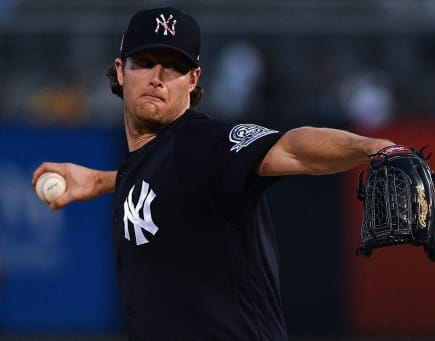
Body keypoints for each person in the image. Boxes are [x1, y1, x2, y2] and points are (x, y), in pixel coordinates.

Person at [32, 7, 394, 340]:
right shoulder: (154, 161)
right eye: (145, 62)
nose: (158, 77)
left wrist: (373, 148)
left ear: (193, 79)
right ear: (121, 71)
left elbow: (291, 147)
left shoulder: (200, 142)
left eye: (173, 67)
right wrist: (101, 181)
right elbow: (167, 184)